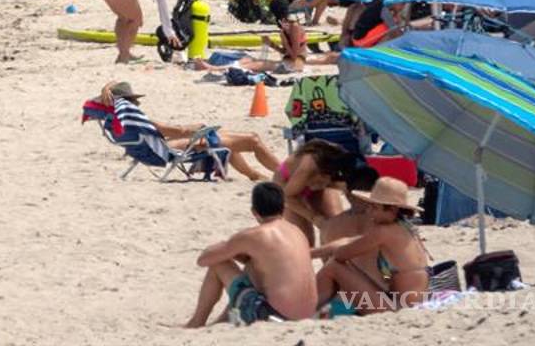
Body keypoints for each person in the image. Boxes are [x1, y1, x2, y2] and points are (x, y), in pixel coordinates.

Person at [183, 182, 318, 327]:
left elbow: (203, 260)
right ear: (283, 208)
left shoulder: (254, 236)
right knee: (254, 265)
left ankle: (196, 322)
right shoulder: (297, 232)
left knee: (219, 264)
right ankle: (223, 320)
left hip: (274, 317)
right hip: (307, 315)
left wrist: (228, 248)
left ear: (254, 211)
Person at [97, 81, 281, 181]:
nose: (137, 103)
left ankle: (254, 175)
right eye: (132, 100)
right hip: (166, 149)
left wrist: (106, 89)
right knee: (252, 139)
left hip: (152, 149)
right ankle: (285, 175)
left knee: (227, 142)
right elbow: (177, 131)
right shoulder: (136, 118)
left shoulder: (116, 119)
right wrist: (196, 127)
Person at [313, 177, 430, 314]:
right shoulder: (405, 228)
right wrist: (311, 254)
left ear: (391, 209)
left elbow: (341, 254)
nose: (370, 212)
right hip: (411, 302)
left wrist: (313, 254)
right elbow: (352, 241)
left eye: (375, 207)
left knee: (333, 267)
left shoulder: (383, 232)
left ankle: (305, 310)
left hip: (400, 307)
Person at [272, 138, 356, 245]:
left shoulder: (337, 162)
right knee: (305, 241)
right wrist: (314, 218)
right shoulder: (307, 167)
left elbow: (351, 188)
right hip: (287, 190)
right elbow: (287, 197)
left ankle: (329, 260)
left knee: (334, 228)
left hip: (321, 177)